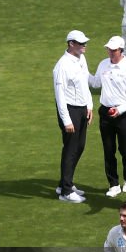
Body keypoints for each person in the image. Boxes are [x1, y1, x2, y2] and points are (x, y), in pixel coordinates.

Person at [88, 37, 126, 198]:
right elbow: (96, 83)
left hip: (123, 114)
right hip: (105, 112)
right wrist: (82, 70)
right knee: (108, 149)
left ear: (121, 50)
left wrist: (121, 109)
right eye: (109, 49)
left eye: (114, 50)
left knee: (125, 148)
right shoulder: (103, 64)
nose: (110, 52)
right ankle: (113, 184)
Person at [53, 30, 93, 203]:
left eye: (84, 42)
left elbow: (84, 83)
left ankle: (64, 183)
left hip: (82, 108)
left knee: (80, 146)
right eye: (80, 43)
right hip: (70, 110)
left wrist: (89, 105)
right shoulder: (62, 66)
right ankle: (66, 192)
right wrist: (66, 119)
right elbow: (60, 95)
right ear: (71, 44)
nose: (84, 45)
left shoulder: (81, 59)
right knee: (70, 149)